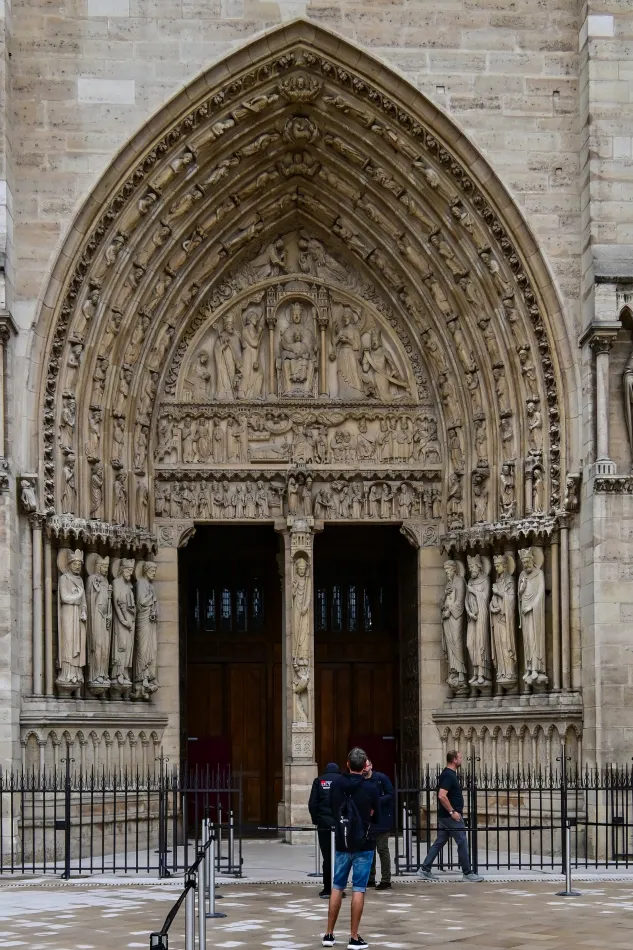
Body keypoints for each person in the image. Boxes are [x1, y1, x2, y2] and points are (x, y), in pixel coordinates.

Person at [323, 748, 380, 950]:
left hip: (342, 841)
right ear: (365, 765)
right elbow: (377, 816)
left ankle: (329, 934)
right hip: (364, 843)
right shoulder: (371, 787)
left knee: (337, 886)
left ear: (347, 764)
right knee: (358, 888)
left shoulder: (337, 784)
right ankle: (354, 936)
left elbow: (332, 806)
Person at [418, 750, 483, 882]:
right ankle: (467, 872)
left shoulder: (449, 774)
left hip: (445, 817)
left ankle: (425, 868)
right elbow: (442, 795)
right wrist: (452, 812)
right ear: (454, 759)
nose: (462, 759)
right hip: (450, 817)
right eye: (460, 757)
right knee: (462, 842)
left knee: (439, 841)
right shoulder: (448, 775)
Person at [309, 762, 341, 898]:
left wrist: (317, 820)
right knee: (340, 857)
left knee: (327, 857)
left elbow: (312, 803)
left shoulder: (319, 781)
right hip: (340, 824)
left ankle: (327, 889)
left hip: (324, 824)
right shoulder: (342, 780)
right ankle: (338, 889)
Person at [365, 761, 394, 890]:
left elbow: (390, 794)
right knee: (369, 850)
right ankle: (370, 878)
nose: (365, 768)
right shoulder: (360, 780)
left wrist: (376, 802)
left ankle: (386, 879)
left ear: (371, 765)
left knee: (382, 849)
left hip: (382, 819)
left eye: (367, 765)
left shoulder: (381, 778)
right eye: (363, 766)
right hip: (368, 821)